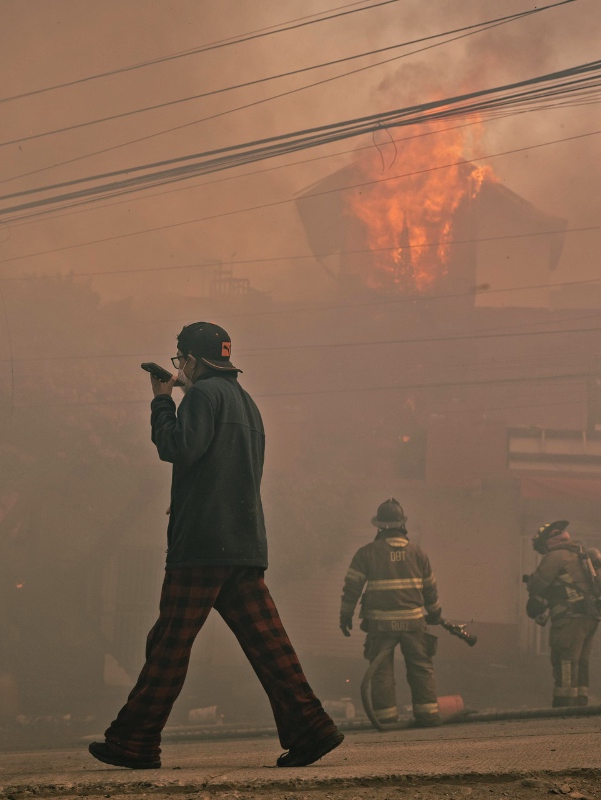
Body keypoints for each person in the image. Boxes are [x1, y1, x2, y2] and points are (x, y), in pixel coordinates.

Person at [89, 322, 342, 770]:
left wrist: (161, 400)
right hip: (242, 543)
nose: (178, 366)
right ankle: (311, 728)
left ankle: (135, 742)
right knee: (269, 645)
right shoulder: (246, 403)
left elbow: (177, 448)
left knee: (169, 644)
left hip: (203, 546)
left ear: (194, 361)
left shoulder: (202, 398)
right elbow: (225, 470)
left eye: (180, 358)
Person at [339, 498, 444, 726]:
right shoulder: (419, 553)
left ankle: (386, 720)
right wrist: (435, 613)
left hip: (381, 626)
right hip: (414, 624)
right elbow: (430, 589)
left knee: (381, 673)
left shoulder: (366, 553)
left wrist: (345, 615)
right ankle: (428, 717)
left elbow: (351, 588)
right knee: (421, 668)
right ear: (401, 524)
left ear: (379, 526)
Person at [524, 520, 601, 707]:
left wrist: (531, 582)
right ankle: (580, 702)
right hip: (589, 615)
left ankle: (564, 704)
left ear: (549, 541)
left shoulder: (556, 555)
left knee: (565, 659)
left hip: (570, 618)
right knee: (581, 660)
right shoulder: (578, 552)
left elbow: (538, 584)